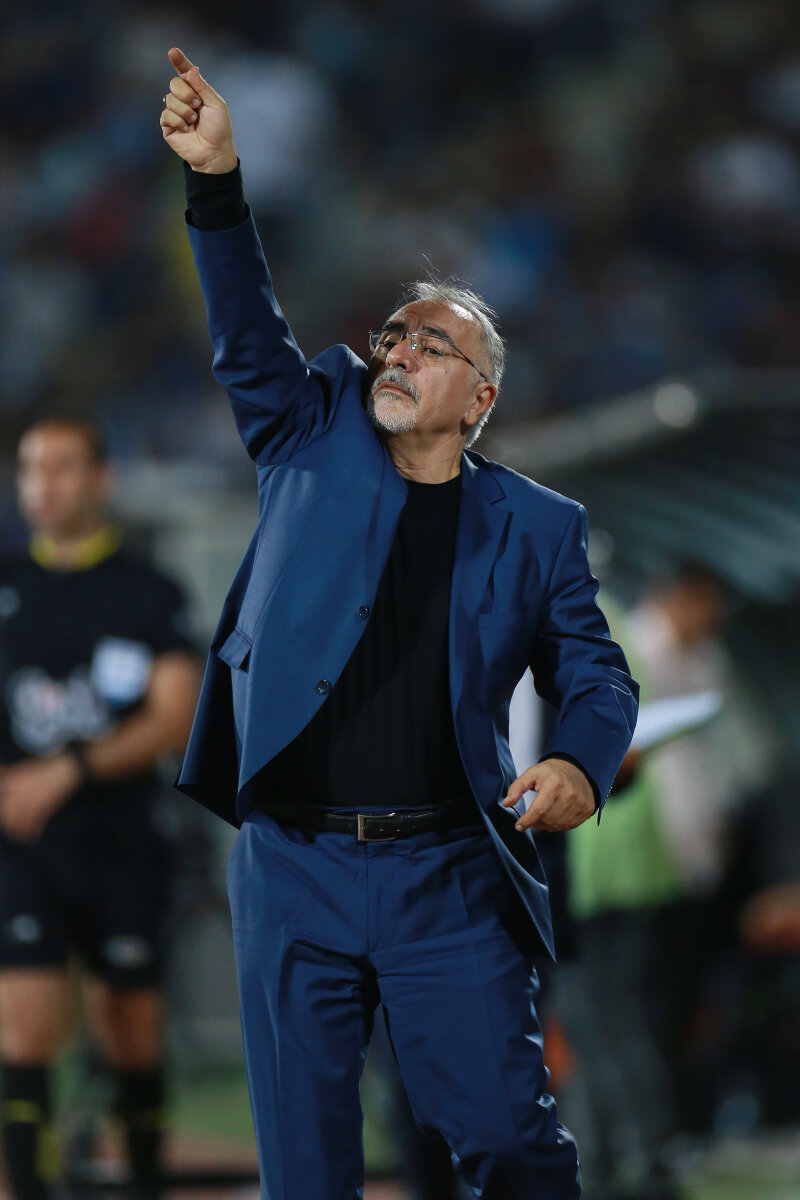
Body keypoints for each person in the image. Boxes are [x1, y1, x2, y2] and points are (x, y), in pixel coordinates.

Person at [161, 45, 638, 1200]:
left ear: (480, 398)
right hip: (294, 865)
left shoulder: (537, 525)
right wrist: (215, 181)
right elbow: (245, 331)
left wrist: (578, 761)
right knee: (306, 1176)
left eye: (433, 344)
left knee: (509, 1142)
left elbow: (595, 674)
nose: (399, 351)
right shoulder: (309, 428)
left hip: (446, 870)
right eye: (391, 334)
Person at [0, 417, 200, 1200]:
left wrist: (68, 770)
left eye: (60, 467)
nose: (42, 486)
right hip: (24, 843)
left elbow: (175, 715)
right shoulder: (8, 587)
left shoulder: (147, 593)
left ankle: (146, 1182)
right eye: (30, 470)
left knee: (131, 1032)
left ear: (100, 479)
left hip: (122, 842)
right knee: (24, 1027)